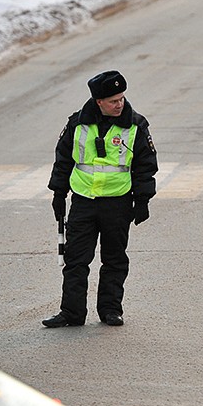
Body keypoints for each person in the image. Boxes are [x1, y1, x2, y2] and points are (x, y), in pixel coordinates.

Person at [43, 70, 158, 328]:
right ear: (99, 102)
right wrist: (58, 194)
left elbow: (145, 165)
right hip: (83, 202)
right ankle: (72, 313)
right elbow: (63, 160)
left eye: (122, 99)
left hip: (117, 204)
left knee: (114, 259)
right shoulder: (77, 124)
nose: (120, 104)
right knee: (75, 260)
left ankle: (110, 310)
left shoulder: (136, 125)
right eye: (114, 101)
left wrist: (142, 200)